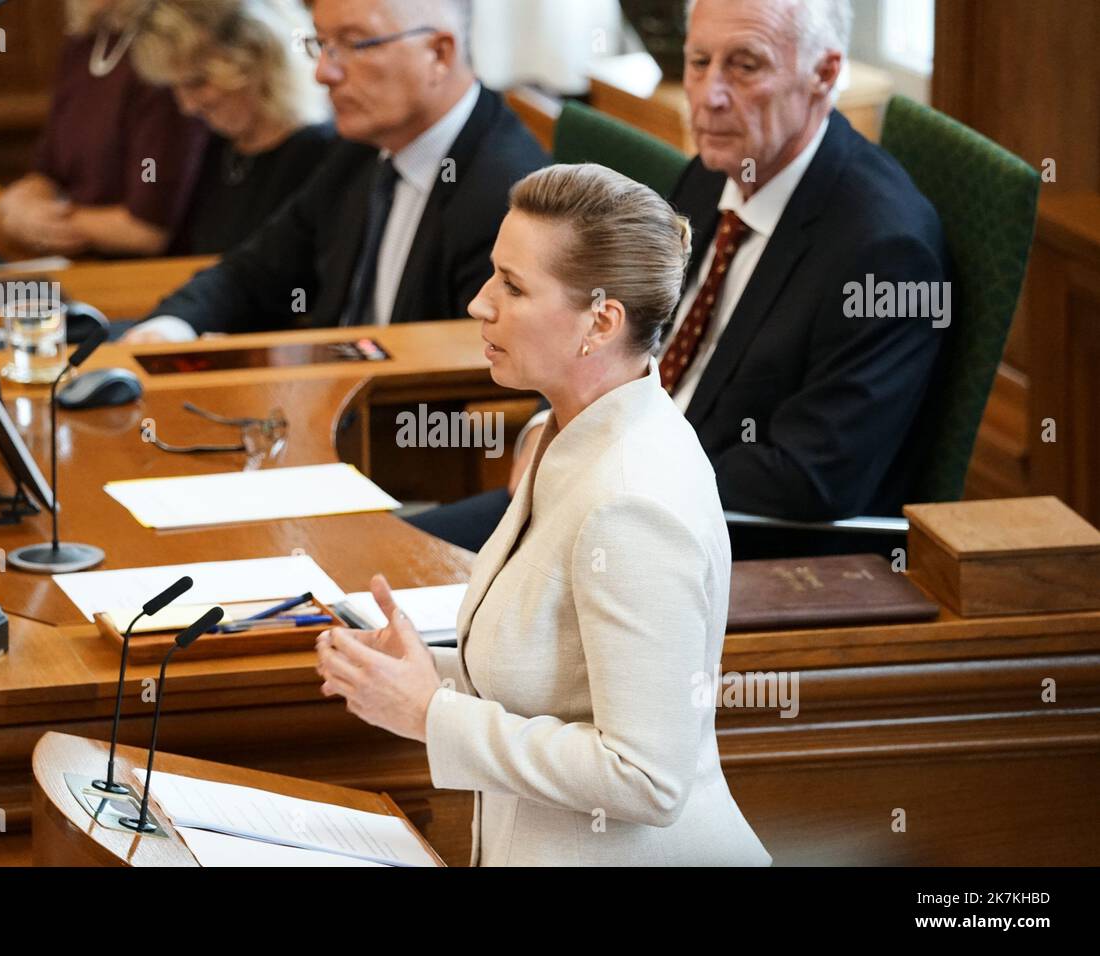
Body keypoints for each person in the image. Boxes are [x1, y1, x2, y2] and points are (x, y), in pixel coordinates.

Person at [316, 164, 772, 867]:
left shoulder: (631, 501)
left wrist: (430, 715)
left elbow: (647, 779)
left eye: (514, 286)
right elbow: (549, 683)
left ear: (602, 322)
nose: (479, 303)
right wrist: (420, 674)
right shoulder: (573, 432)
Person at [408, 0, 950, 558]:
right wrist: (548, 433)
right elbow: (616, 342)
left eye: (745, 66)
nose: (709, 96)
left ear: (825, 73)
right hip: (597, 492)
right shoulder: (722, 170)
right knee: (385, 560)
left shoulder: (883, 250)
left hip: (711, 543)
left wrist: (600, 470)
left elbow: (814, 477)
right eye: (698, 62)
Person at [124, 0, 549, 344]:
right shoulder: (360, 150)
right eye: (321, 44)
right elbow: (255, 271)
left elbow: (484, 380)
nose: (323, 72)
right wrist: (168, 329)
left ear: (439, 53)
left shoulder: (507, 195)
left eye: (355, 44)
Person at [0, 0, 207, 257]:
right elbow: (48, 170)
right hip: (72, 255)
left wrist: (31, 221)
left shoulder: (160, 56)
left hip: (137, 272)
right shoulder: (84, 44)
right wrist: (17, 204)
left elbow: (145, 230)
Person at [129, 0, 335, 256]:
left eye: (198, 82)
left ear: (257, 58)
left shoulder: (321, 154)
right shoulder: (217, 150)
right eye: (175, 86)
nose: (187, 106)